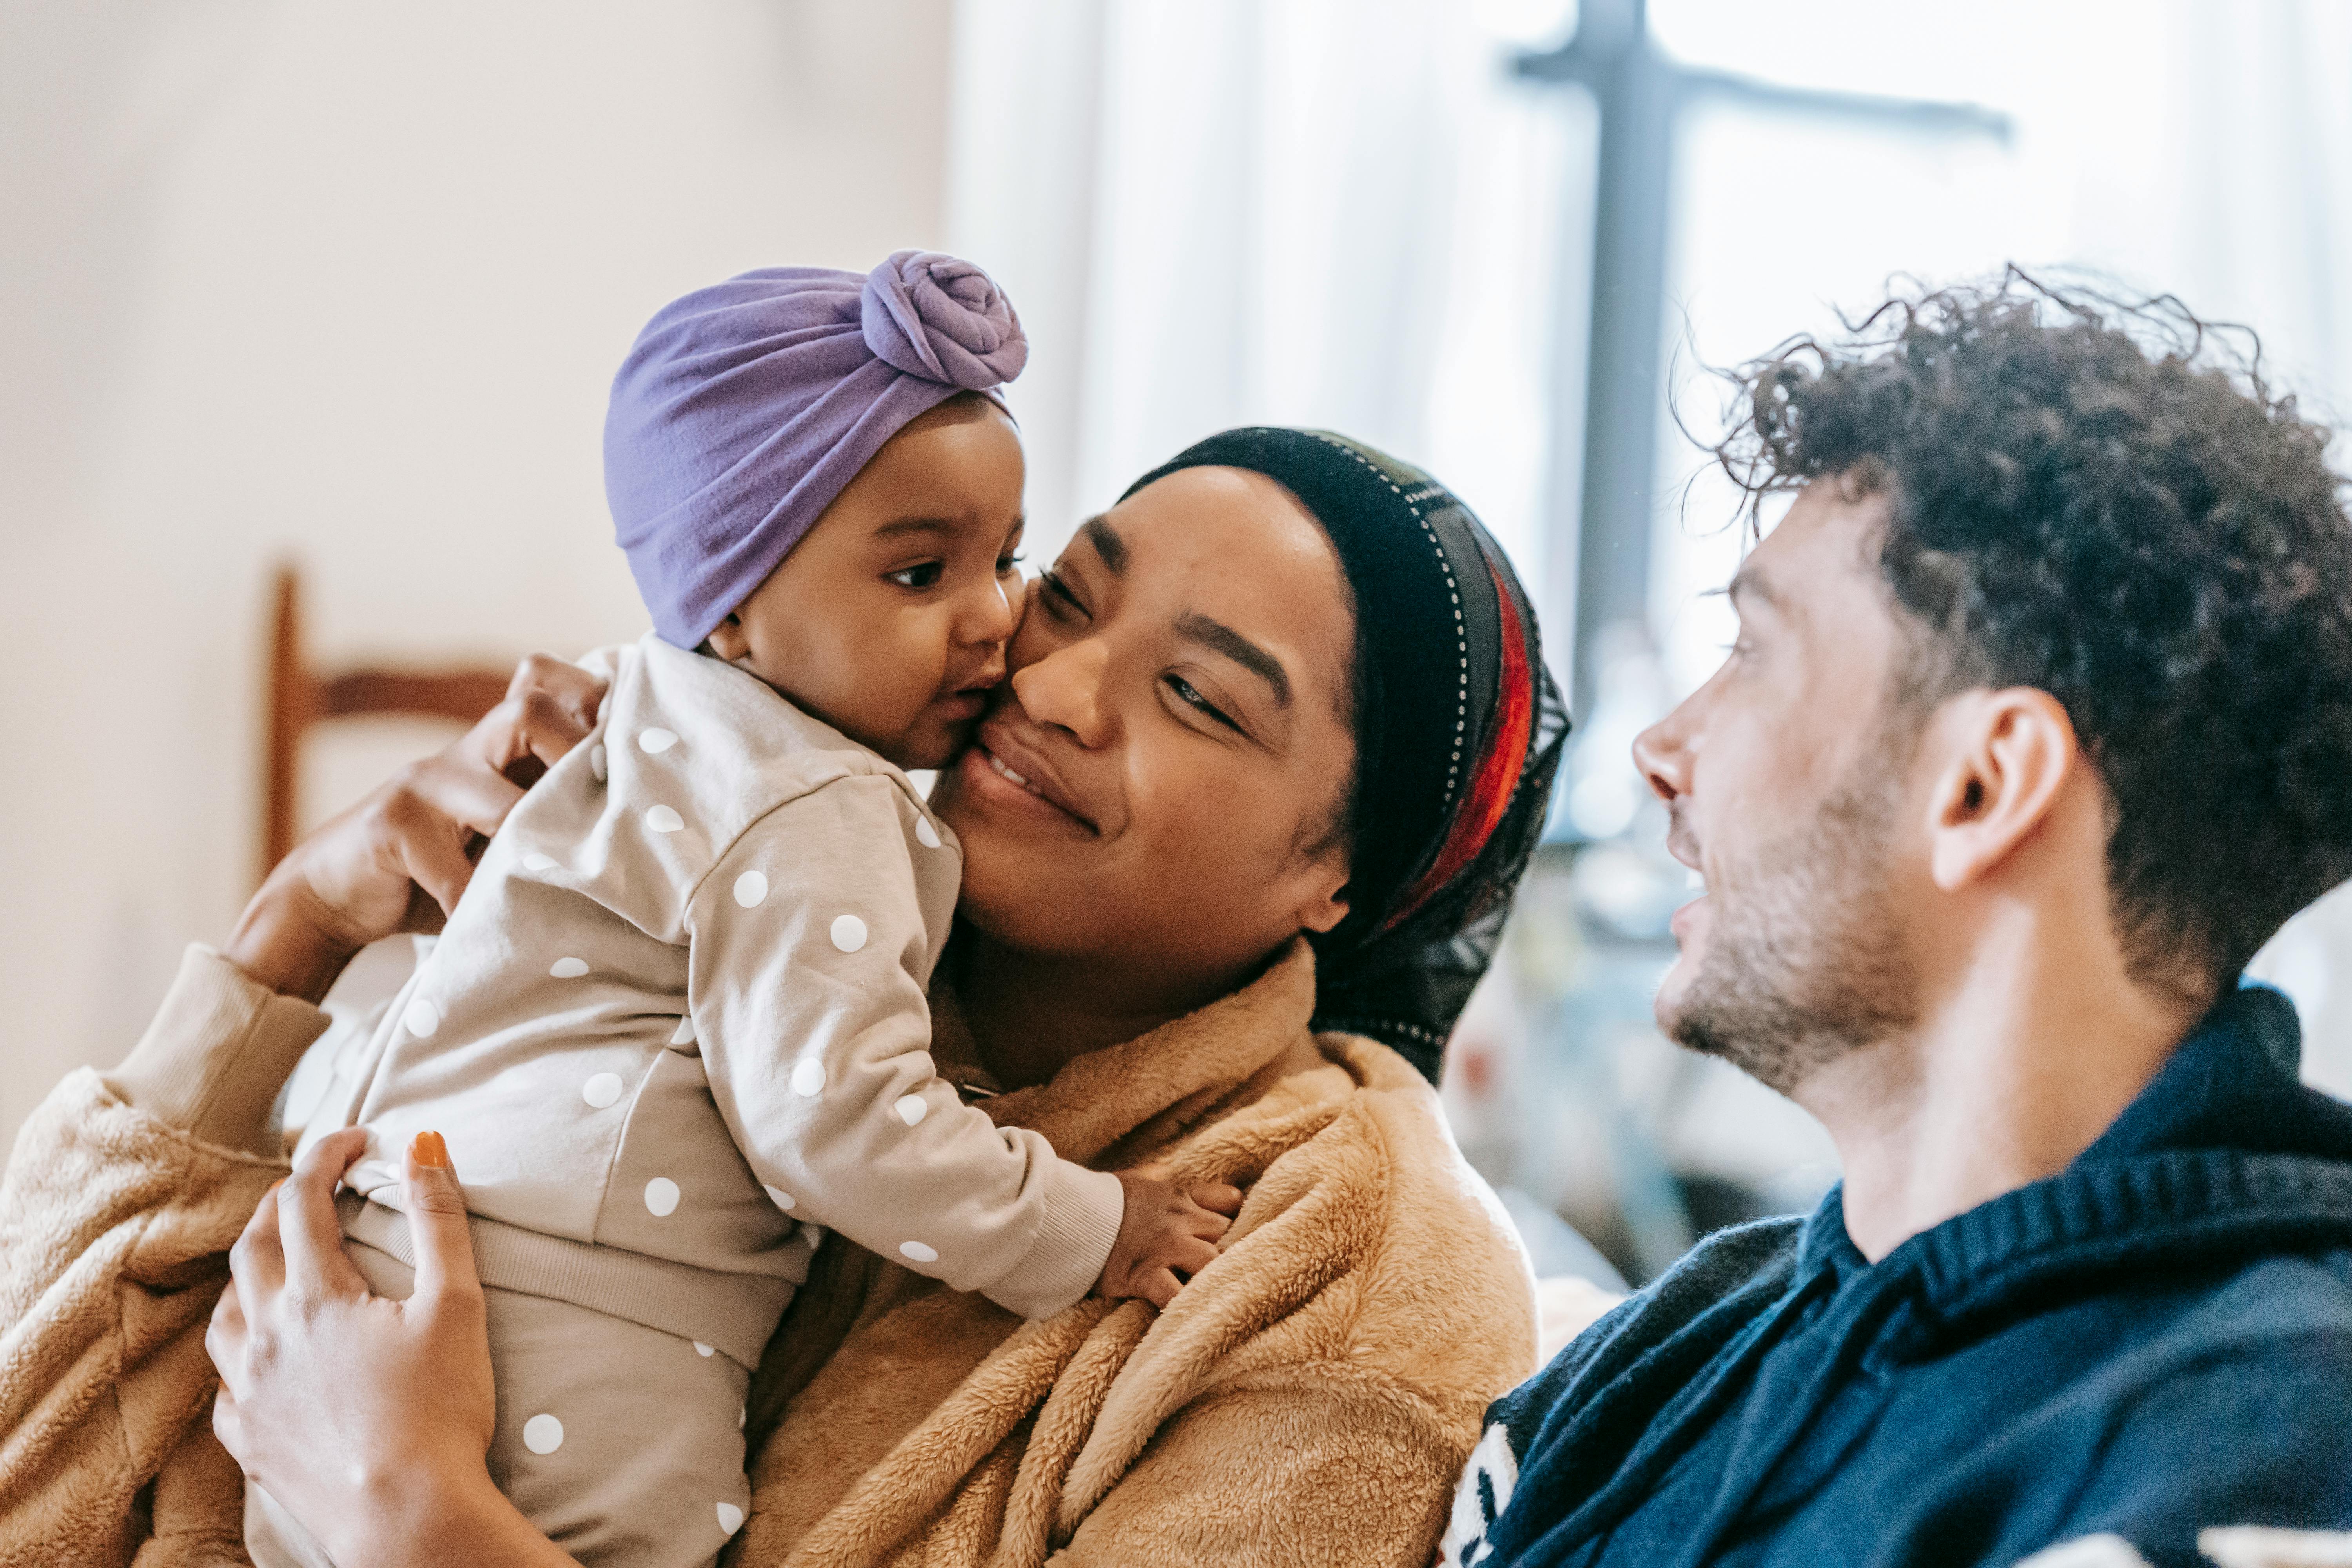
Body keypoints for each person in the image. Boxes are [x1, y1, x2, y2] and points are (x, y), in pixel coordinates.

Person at [0, 426, 1565, 1566]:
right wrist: (302, 925)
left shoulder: (1349, 1287)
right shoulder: (718, 938)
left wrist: (415, 1513)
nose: (1052, 685)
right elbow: (41, 1469)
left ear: (1339, 883)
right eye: (1064, 597)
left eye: (1200, 697)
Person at [242, 252, 1233, 1568]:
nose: (996, 623)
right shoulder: (813, 802)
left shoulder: (624, 704)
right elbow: (841, 1125)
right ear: (735, 610)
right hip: (555, 1345)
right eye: (918, 576)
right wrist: (1098, 1228)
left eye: (1009, 557)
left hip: (373, 1298)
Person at [1442, 274, 2352, 1568]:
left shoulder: (2252, 1450)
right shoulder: (1675, 1346)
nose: (1659, 747)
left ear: (1983, 788)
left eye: (1756, 651)